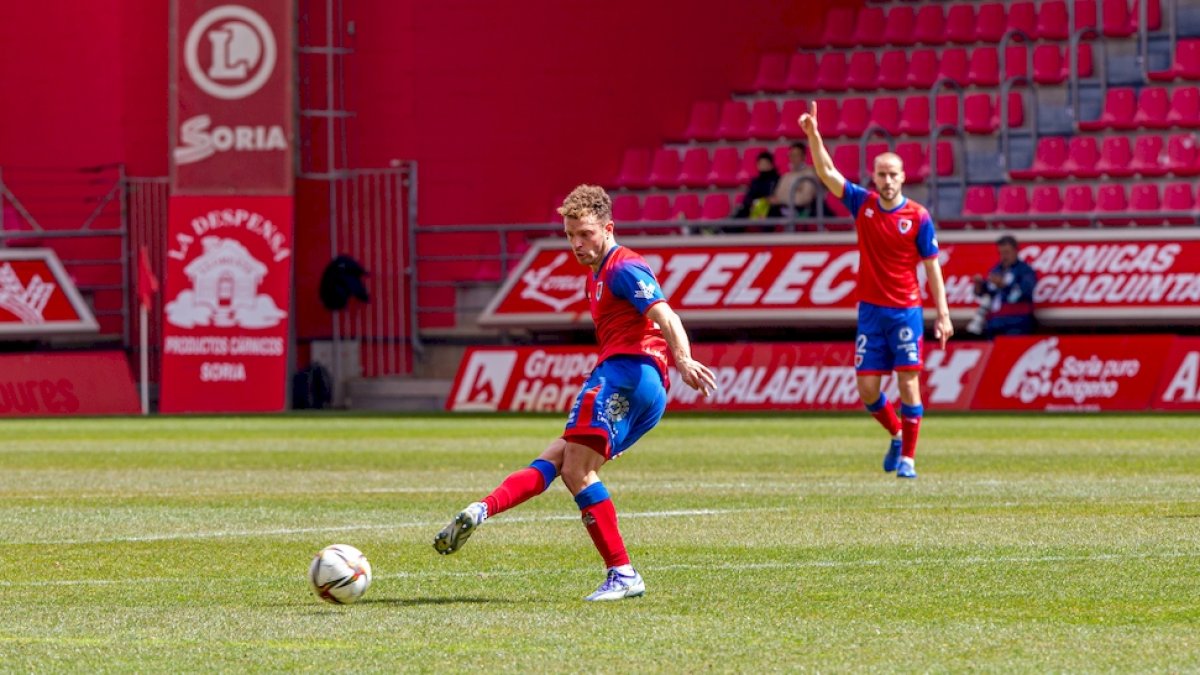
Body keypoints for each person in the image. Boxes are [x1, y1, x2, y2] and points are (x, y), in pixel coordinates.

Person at [433, 184, 717, 600]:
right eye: (570, 235)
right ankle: (482, 509)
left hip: (627, 374)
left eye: (585, 234)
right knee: (559, 457)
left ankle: (623, 573)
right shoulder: (597, 273)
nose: (577, 244)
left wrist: (683, 357)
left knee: (577, 470)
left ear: (608, 227)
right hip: (639, 383)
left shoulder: (623, 267)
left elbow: (664, 313)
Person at [799, 101, 952, 480]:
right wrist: (814, 137)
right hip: (870, 310)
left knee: (908, 382)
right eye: (881, 174)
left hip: (905, 310)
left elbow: (932, 266)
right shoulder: (862, 204)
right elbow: (828, 172)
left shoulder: (917, 217)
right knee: (867, 389)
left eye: (893, 174)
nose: (887, 181)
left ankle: (909, 460)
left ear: (903, 178)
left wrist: (943, 315)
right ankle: (897, 434)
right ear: (874, 177)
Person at [966, 235, 1037, 337]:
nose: (1004, 256)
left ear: (1016, 251)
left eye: (1007, 252)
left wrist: (1004, 285)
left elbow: (1024, 292)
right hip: (994, 324)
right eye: (1001, 253)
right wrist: (979, 287)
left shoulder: (1025, 271)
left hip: (1016, 324)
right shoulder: (996, 270)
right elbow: (988, 293)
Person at [770, 142, 818, 218]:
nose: (793, 158)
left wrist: (782, 199)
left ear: (804, 157)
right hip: (784, 209)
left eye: (796, 155)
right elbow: (777, 195)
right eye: (791, 155)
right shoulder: (786, 176)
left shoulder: (809, 174)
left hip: (802, 211)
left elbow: (805, 198)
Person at [732, 150, 781, 219]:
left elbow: (778, 198)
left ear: (771, 165)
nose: (763, 166)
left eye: (765, 163)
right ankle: (723, 229)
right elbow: (747, 198)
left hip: (771, 208)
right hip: (755, 208)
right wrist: (751, 203)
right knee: (741, 212)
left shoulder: (777, 180)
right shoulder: (755, 181)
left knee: (772, 211)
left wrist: (767, 201)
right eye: (761, 164)